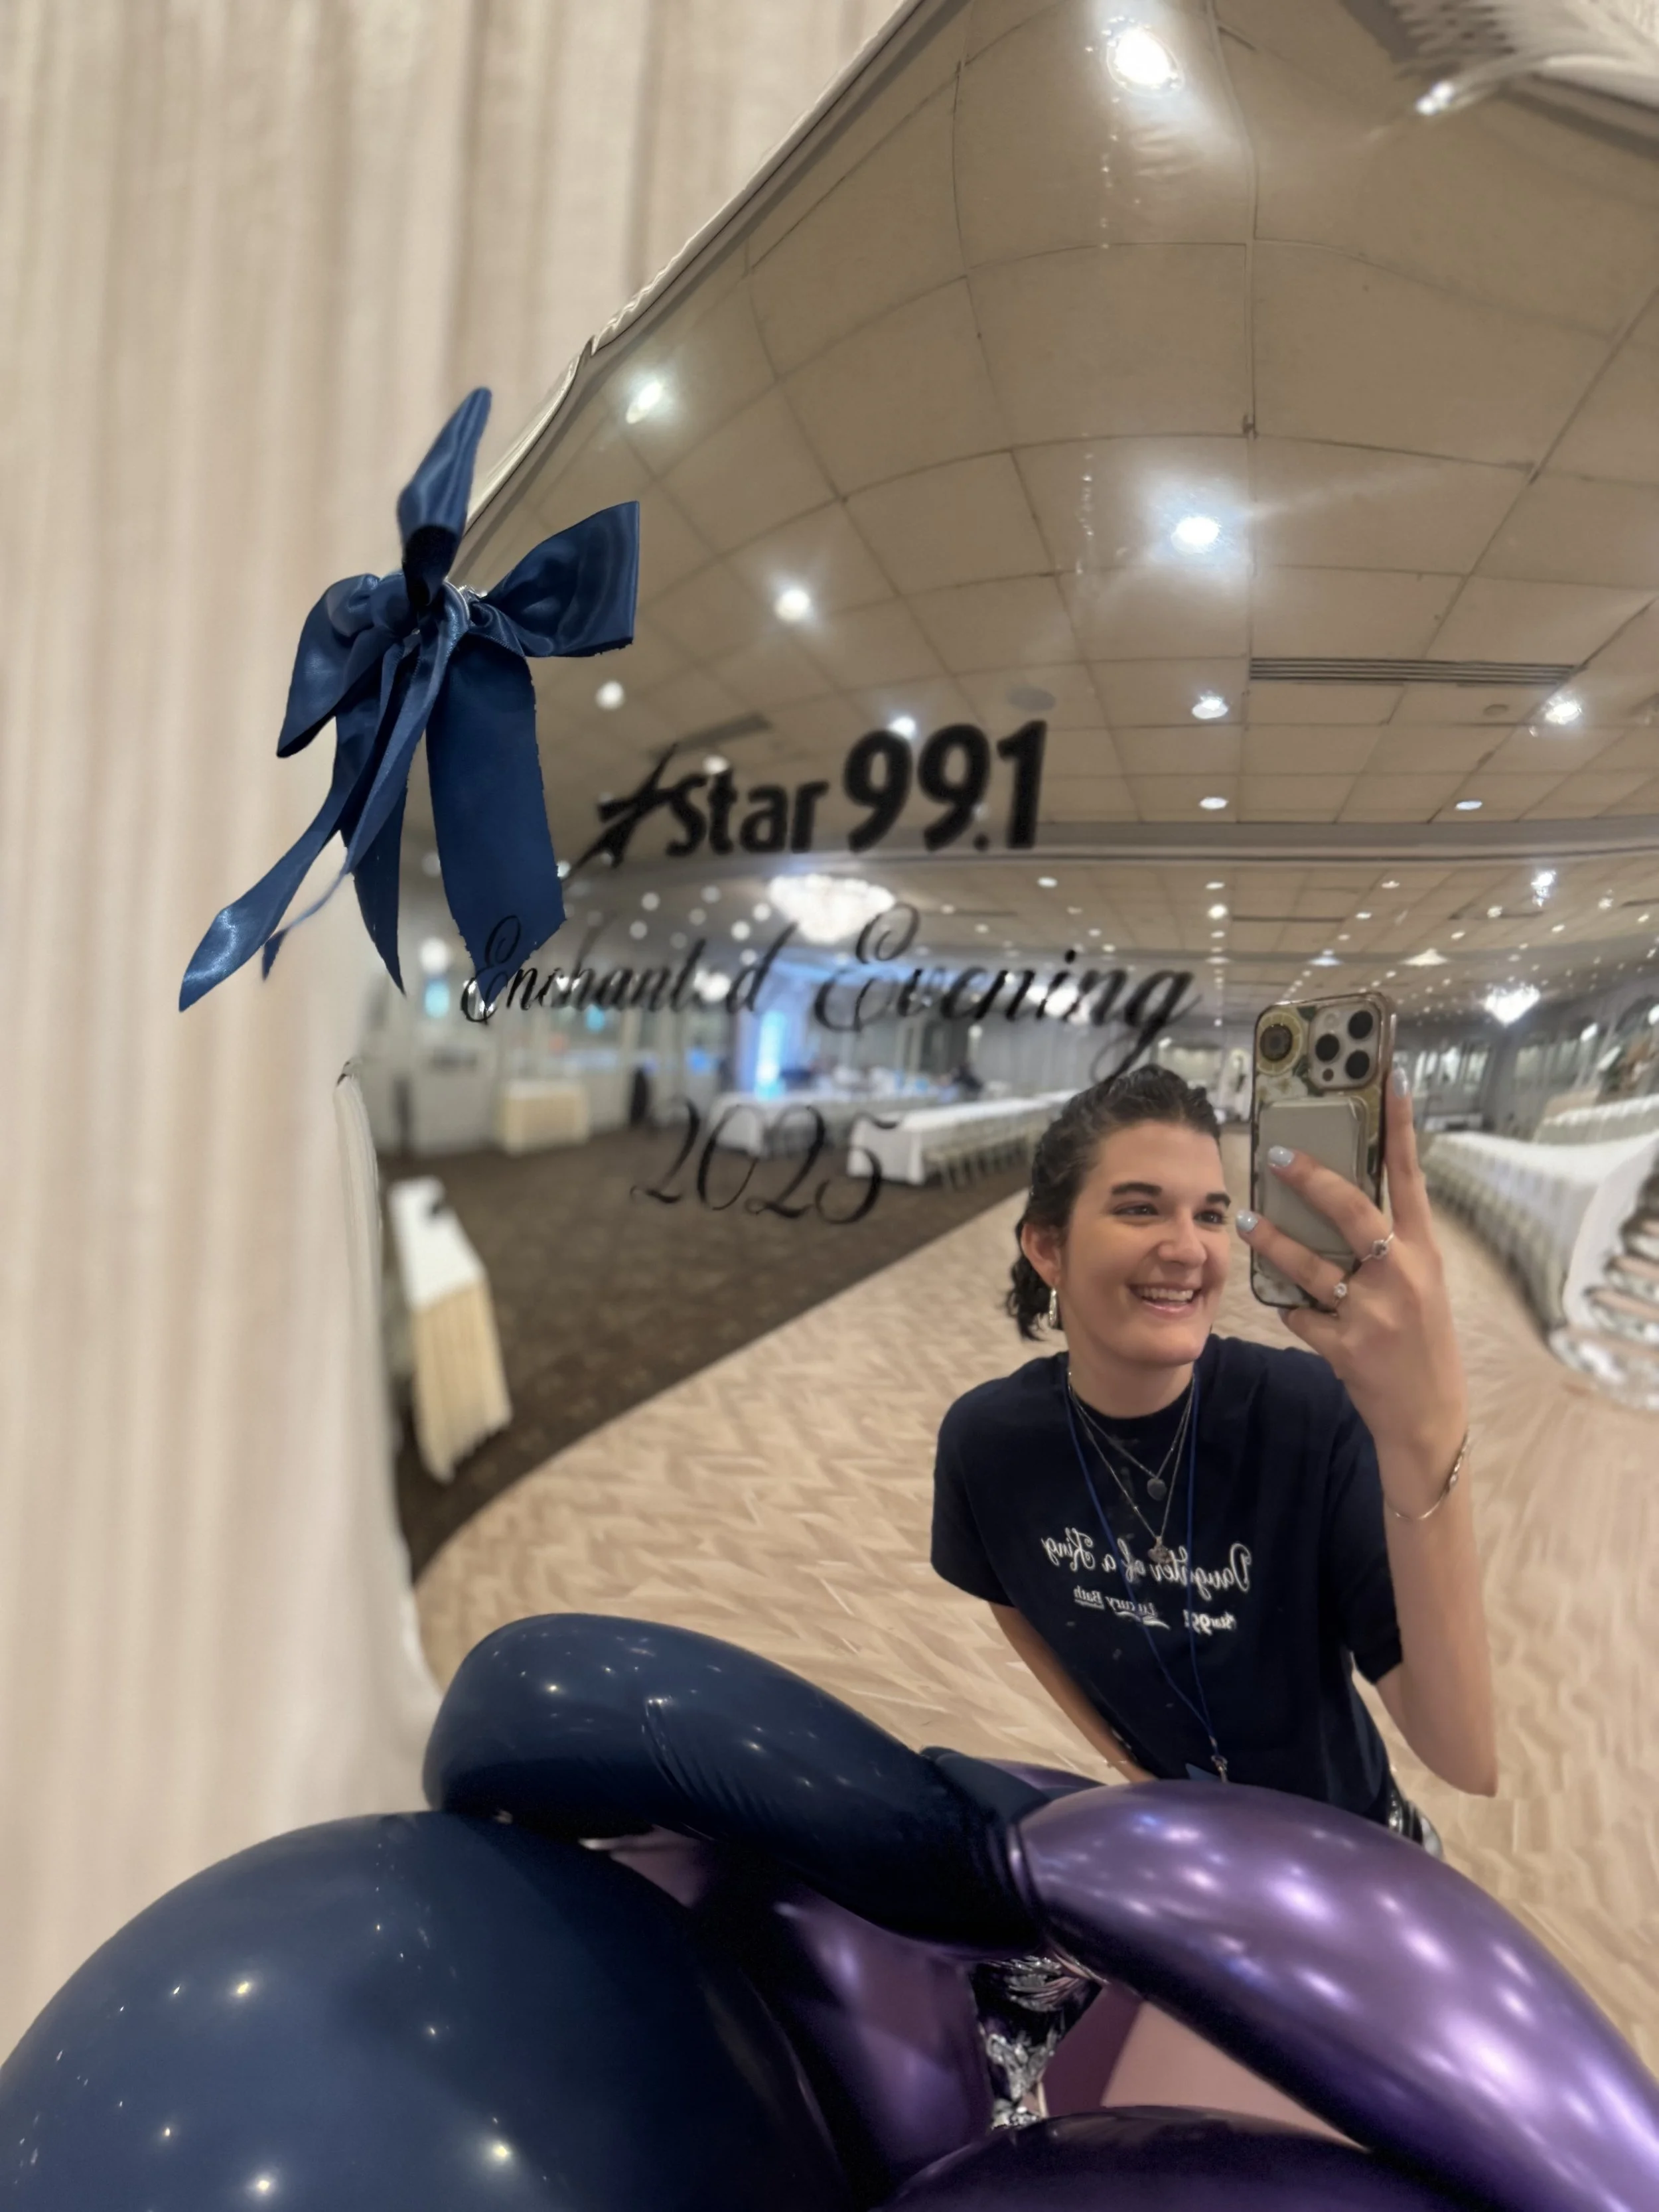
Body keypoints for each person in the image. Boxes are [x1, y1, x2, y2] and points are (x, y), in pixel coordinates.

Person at [930, 1064, 1496, 1842]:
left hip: (1355, 1852)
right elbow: (1012, 1603)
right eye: (1139, 1209)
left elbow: (1463, 1755)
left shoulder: (1303, 1416)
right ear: (1047, 1247)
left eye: (1210, 1215)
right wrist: (1133, 1771)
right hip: (1192, 1855)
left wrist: (1424, 1433)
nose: (1189, 1249)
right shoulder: (987, 1444)